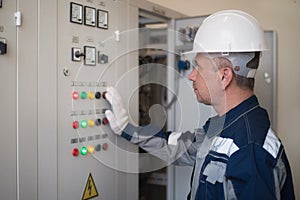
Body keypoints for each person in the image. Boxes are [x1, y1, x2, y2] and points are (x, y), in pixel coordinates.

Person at [104, 10, 295, 199]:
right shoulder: (221, 128)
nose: (191, 75)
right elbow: (176, 145)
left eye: (198, 67)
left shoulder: (249, 149)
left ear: (224, 76)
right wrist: (126, 129)